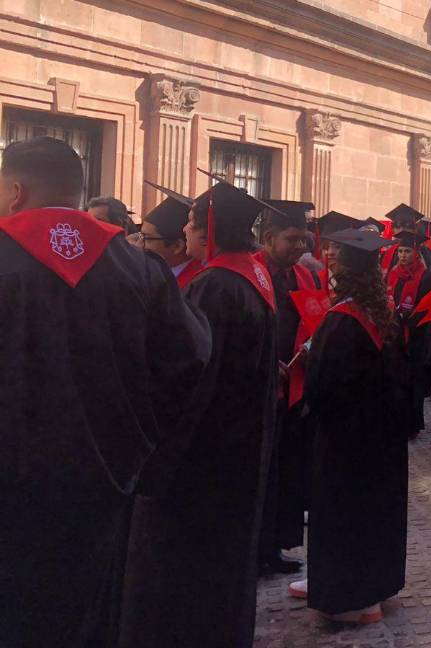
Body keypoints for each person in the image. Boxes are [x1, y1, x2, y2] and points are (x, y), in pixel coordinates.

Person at [0, 137, 209, 647]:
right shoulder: (139, 266)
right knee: (90, 615)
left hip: (11, 484)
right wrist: (144, 446)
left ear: (14, 191)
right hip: (104, 478)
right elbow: (191, 358)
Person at [121, 179, 280, 648]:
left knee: (188, 569)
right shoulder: (253, 273)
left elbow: (194, 378)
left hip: (207, 452)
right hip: (241, 443)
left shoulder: (216, 284)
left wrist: (158, 456)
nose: (187, 232)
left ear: (210, 229)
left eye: (191, 223)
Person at [287, 228, 410, 624]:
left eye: (335, 256)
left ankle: (351, 598)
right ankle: (372, 590)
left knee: (343, 513)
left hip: (346, 438)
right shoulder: (379, 310)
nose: (330, 260)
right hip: (380, 436)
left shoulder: (342, 319)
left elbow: (323, 386)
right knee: (373, 512)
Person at [255, 199, 323, 576]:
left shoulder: (304, 277)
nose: (302, 247)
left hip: (294, 390)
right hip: (260, 392)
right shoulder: (252, 274)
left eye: (304, 239)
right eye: (293, 238)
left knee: (286, 471)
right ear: (268, 237)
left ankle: (275, 546)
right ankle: (255, 548)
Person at [389, 230, 431, 438]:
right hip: (396, 335)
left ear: (416, 252)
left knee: (414, 382)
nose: (403, 255)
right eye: (400, 251)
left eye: (407, 251)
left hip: (417, 335)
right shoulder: (393, 275)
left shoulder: (426, 277)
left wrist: (412, 319)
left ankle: (413, 423)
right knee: (398, 380)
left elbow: (430, 306)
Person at [139, 182, 203, 289]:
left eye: (147, 238)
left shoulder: (197, 285)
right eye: (140, 236)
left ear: (177, 246)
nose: (139, 245)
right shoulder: (149, 274)